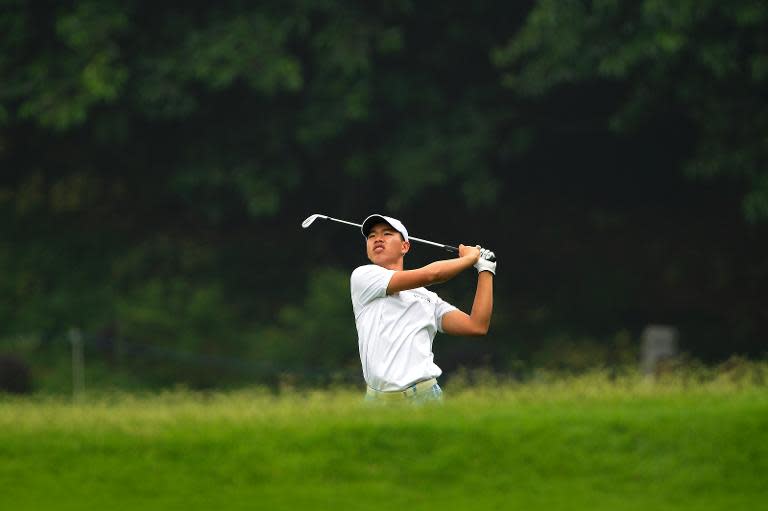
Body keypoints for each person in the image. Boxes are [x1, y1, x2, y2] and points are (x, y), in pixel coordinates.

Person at [350, 213, 495, 403]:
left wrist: (486, 269)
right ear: (368, 249)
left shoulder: (428, 299)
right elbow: (431, 275)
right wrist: (469, 258)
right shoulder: (363, 277)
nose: (378, 238)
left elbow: (476, 325)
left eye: (387, 234)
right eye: (371, 236)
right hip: (376, 401)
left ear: (405, 246)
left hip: (425, 397)